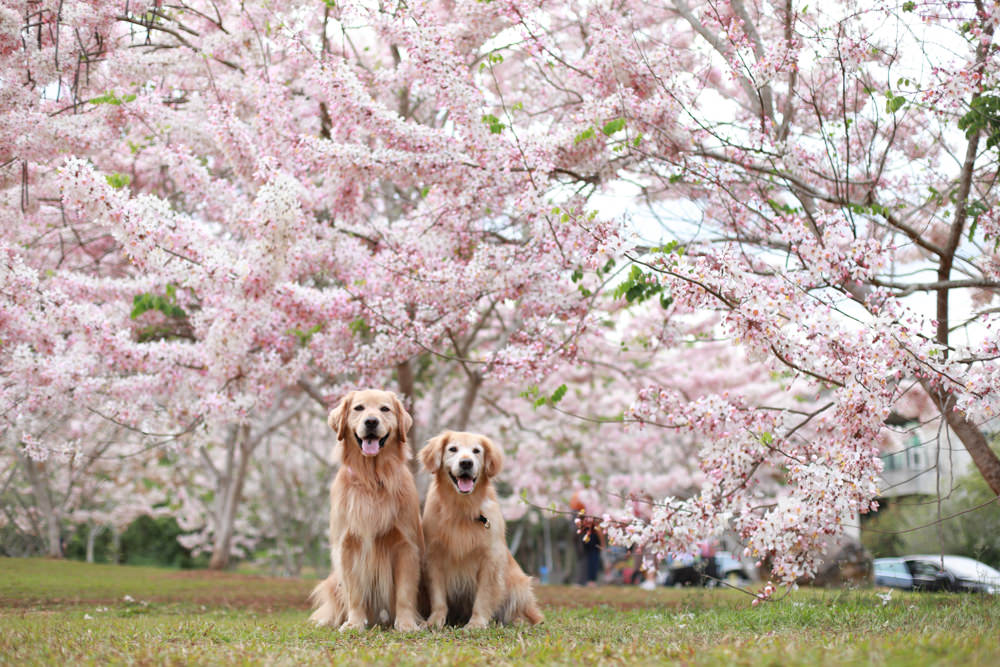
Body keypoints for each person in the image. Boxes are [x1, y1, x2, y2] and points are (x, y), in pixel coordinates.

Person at [570, 490, 605, 586]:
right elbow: (597, 526)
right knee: (593, 557)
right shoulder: (594, 508)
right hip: (592, 533)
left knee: (589, 557)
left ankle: (588, 580)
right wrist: (602, 542)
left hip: (587, 533)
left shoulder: (584, 508)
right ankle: (591, 580)